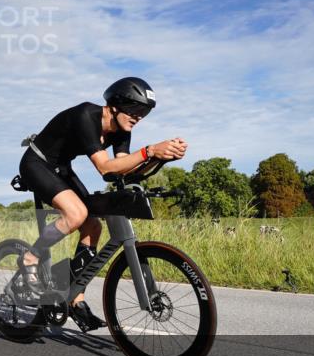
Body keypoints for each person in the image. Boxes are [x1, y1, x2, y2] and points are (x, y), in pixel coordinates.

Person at [18, 77, 187, 332]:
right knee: (76, 214)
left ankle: (75, 298)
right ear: (116, 105)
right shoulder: (87, 115)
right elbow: (104, 167)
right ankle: (30, 257)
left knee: (93, 226)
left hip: (61, 168)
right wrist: (150, 151)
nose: (139, 117)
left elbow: (120, 171)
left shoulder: (122, 131)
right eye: (135, 110)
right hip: (36, 163)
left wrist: (162, 158)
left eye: (144, 113)